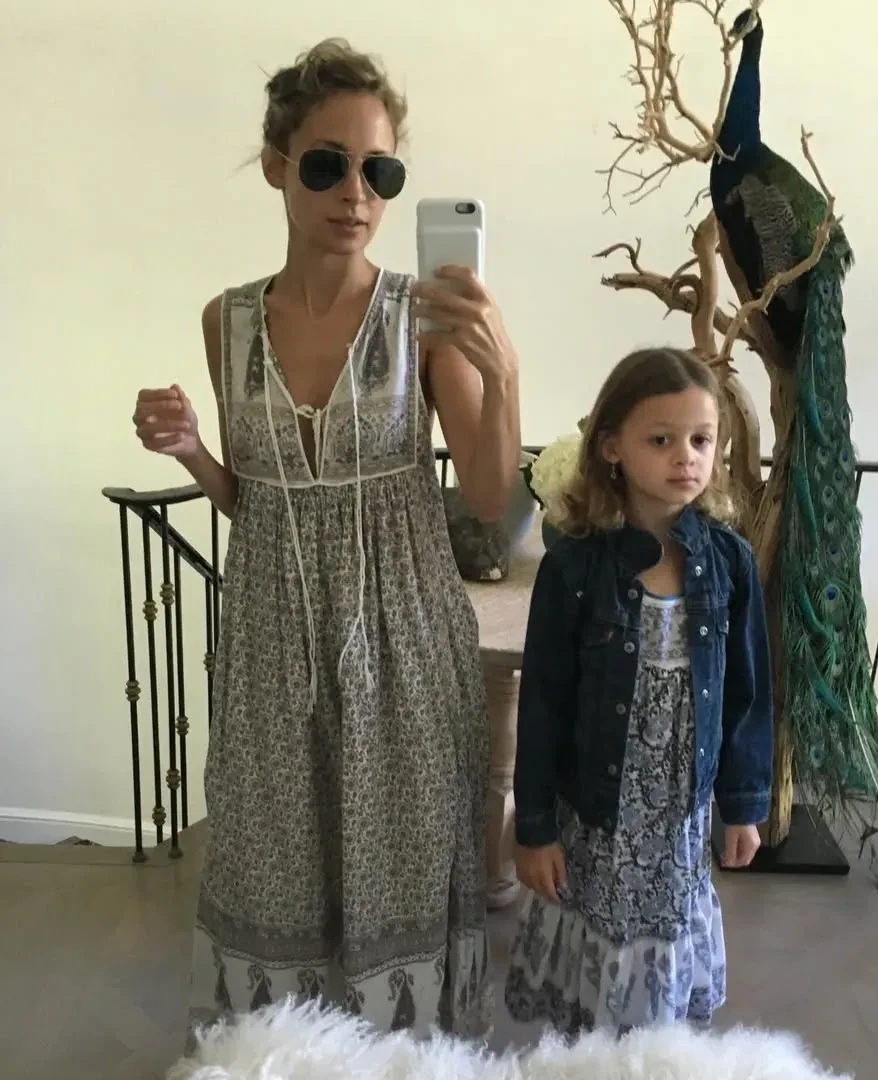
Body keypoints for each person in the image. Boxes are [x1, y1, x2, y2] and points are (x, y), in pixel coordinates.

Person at [130, 39, 521, 1038]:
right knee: (277, 857)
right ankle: (289, 1053)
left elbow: (485, 494)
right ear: (276, 165)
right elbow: (262, 502)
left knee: (398, 854)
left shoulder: (423, 316)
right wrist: (191, 452)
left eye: (380, 172)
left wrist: (503, 372)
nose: (356, 193)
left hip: (403, 639)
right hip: (270, 642)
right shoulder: (226, 322)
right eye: (327, 164)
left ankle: (400, 1055)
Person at [504, 347, 773, 1036]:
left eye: (701, 440)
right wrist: (533, 828)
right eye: (661, 440)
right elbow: (542, 705)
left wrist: (743, 806)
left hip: (677, 829)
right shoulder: (574, 570)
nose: (686, 457)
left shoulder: (730, 564)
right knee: (591, 1000)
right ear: (611, 447)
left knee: (658, 1006)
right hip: (595, 823)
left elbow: (747, 695)